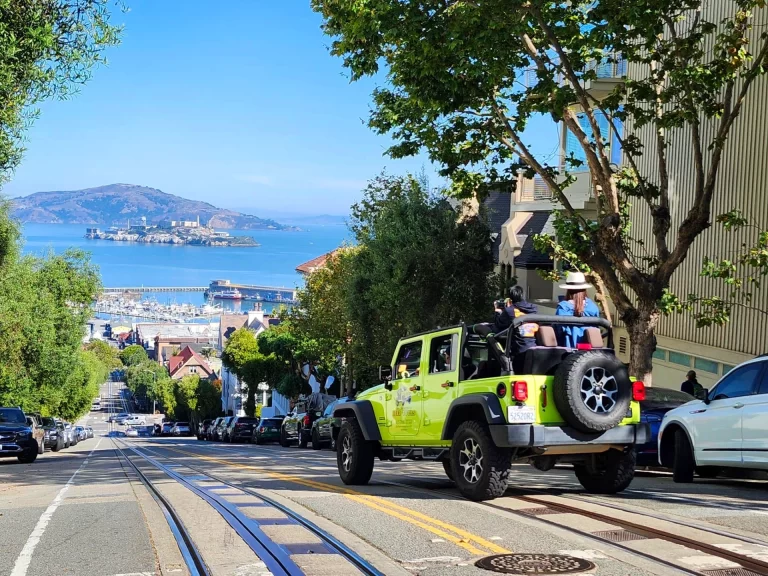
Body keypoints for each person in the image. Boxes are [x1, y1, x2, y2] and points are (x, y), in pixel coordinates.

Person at [555, 271, 600, 347]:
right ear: (584, 289)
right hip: (591, 352)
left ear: (568, 290)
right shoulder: (593, 307)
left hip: (568, 351)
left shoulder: (563, 308)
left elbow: (558, 331)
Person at [508, 285, 539, 354]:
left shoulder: (510, 310)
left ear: (510, 298)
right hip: (533, 346)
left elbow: (499, 325)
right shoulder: (533, 308)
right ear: (522, 295)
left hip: (518, 350)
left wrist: (498, 312)